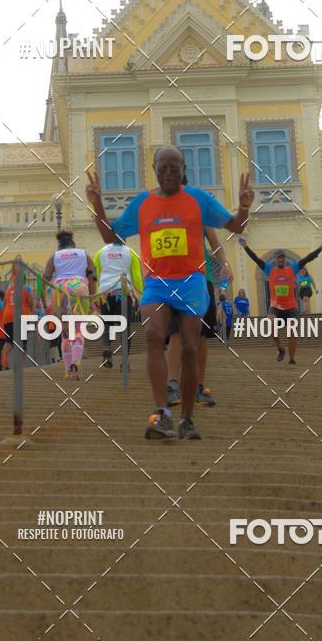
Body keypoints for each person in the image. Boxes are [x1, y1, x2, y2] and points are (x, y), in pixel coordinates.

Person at [85, 145, 253, 440]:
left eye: (175, 167)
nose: (169, 173)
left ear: (184, 170)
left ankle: (187, 418)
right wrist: (98, 205)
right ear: (155, 170)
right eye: (163, 167)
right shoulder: (143, 203)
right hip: (157, 283)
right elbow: (111, 236)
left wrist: (245, 206)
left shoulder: (199, 199)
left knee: (189, 348)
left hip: (191, 283)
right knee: (153, 336)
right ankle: (162, 413)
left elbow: (237, 227)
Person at [165, 223, 232, 408]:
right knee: (176, 331)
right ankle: (173, 385)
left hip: (201, 278)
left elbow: (215, 242)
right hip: (175, 277)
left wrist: (224, 263)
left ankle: (198, 388)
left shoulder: (200, 209)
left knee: (201, 334)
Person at [240, 237, 322, 364]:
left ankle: (292, 358)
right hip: (275, 306)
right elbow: (256, 259)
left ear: (285, 259)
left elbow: (308, 258)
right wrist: (245, 247)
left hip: (291, 307)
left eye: (282, 257)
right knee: (271, 324)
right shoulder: (269, 270)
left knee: (292, 332)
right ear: (276, 259)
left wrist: (321, 247)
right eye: (278, 257)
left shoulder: (292, 269)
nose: (281, 259)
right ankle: (280, 349)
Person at [41, 230, 97, 380]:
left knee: (65, 332)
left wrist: (43, 300)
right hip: (79, 287)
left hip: (60, 290)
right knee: (78, 329)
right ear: (73, 244)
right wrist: (92, 298)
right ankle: (76, 363)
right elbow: (92, 278)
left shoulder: (54, 256)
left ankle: (68, 370)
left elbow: (45, 278)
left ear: (60, 245)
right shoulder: (85, 255)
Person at [93, 239, 143, 369]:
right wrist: (140, 295)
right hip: (123, 292)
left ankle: (107, 348)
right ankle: (124, 361)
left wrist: (98, 292)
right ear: (124, 239)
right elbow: (136, 277)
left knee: (107, 324)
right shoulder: (130, 253)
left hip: (105, 293)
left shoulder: (100, 252)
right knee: (124, 327)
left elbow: (97, 274)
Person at [2, 260, 35, 368]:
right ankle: (21, 365)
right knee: (23, 342)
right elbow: (31, 304)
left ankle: (5, 362)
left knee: (9, 341)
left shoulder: (8, 290)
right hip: (21, 317)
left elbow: (4, 304)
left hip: (7, 317)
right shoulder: (25, 290)